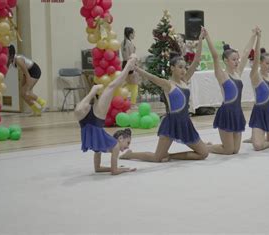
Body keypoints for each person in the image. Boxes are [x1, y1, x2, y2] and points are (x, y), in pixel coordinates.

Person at [120, 28, 209, 162]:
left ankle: (170, 156)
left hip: (185, 123)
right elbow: (151, 77)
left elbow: (196, 61)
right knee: (157, 157)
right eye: (180, 67)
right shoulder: (168, 84)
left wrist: (201, 37)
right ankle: (130, 154)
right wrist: (136, 68)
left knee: (203, 153)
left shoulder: (185, 80)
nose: (183, 70)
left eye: (184, 67)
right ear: (172, 68)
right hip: (172, 123)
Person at [74, 55, 138, 175]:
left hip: (89, 124)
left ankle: (92, 93)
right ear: (120, 139)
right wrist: (121, 169)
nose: (127, 147)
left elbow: (97, 169)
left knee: (78, 110)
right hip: (95, 121)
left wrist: (116, 168)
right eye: (127, 143)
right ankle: (128, 65)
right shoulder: (115, 146)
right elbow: (114, 171)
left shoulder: (101, 143)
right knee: (111, 87)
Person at [204, 27, 257, 155]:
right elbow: (215, 56)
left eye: (237, 59)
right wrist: (207, 36)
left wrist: (254, 35)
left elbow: (246, 52)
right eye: (234, 59)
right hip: (226, 112)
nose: (237, 61)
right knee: (228, 150)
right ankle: (205, 147)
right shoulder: (222, 76)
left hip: (237, 112)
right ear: (226, 61)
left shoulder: (238, 73)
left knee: (235, 150)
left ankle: (211, 145)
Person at [243, 29, 269, 151]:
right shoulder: (255, 76)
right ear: (260, 63)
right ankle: (260, 139)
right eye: (267, 63)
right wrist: (258, 38)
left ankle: (258, 137)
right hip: (260, 112)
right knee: (258, 146)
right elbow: (256, 57)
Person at [8, 45, 46, 116]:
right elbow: (24, 72)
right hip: (27, 73)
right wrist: (23, 80)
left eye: (6, 53)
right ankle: (36, 110)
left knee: (26, 92)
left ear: (11, 54)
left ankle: (42, 103)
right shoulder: (11, 61)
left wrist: (27, 80)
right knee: (22, 94)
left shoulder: (18, 59)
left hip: (34, 71)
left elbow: (26, 71)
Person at [121, 27, 139, 106]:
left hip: (124, 64)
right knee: (134, 85)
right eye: (133, 33)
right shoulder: (129, 43)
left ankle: (123, 99)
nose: (134, 35)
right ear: (130, 34)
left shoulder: (123, 43)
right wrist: (135, 65)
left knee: (128, 83)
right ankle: (133, 102)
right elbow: (131, 56)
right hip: (130, 64)